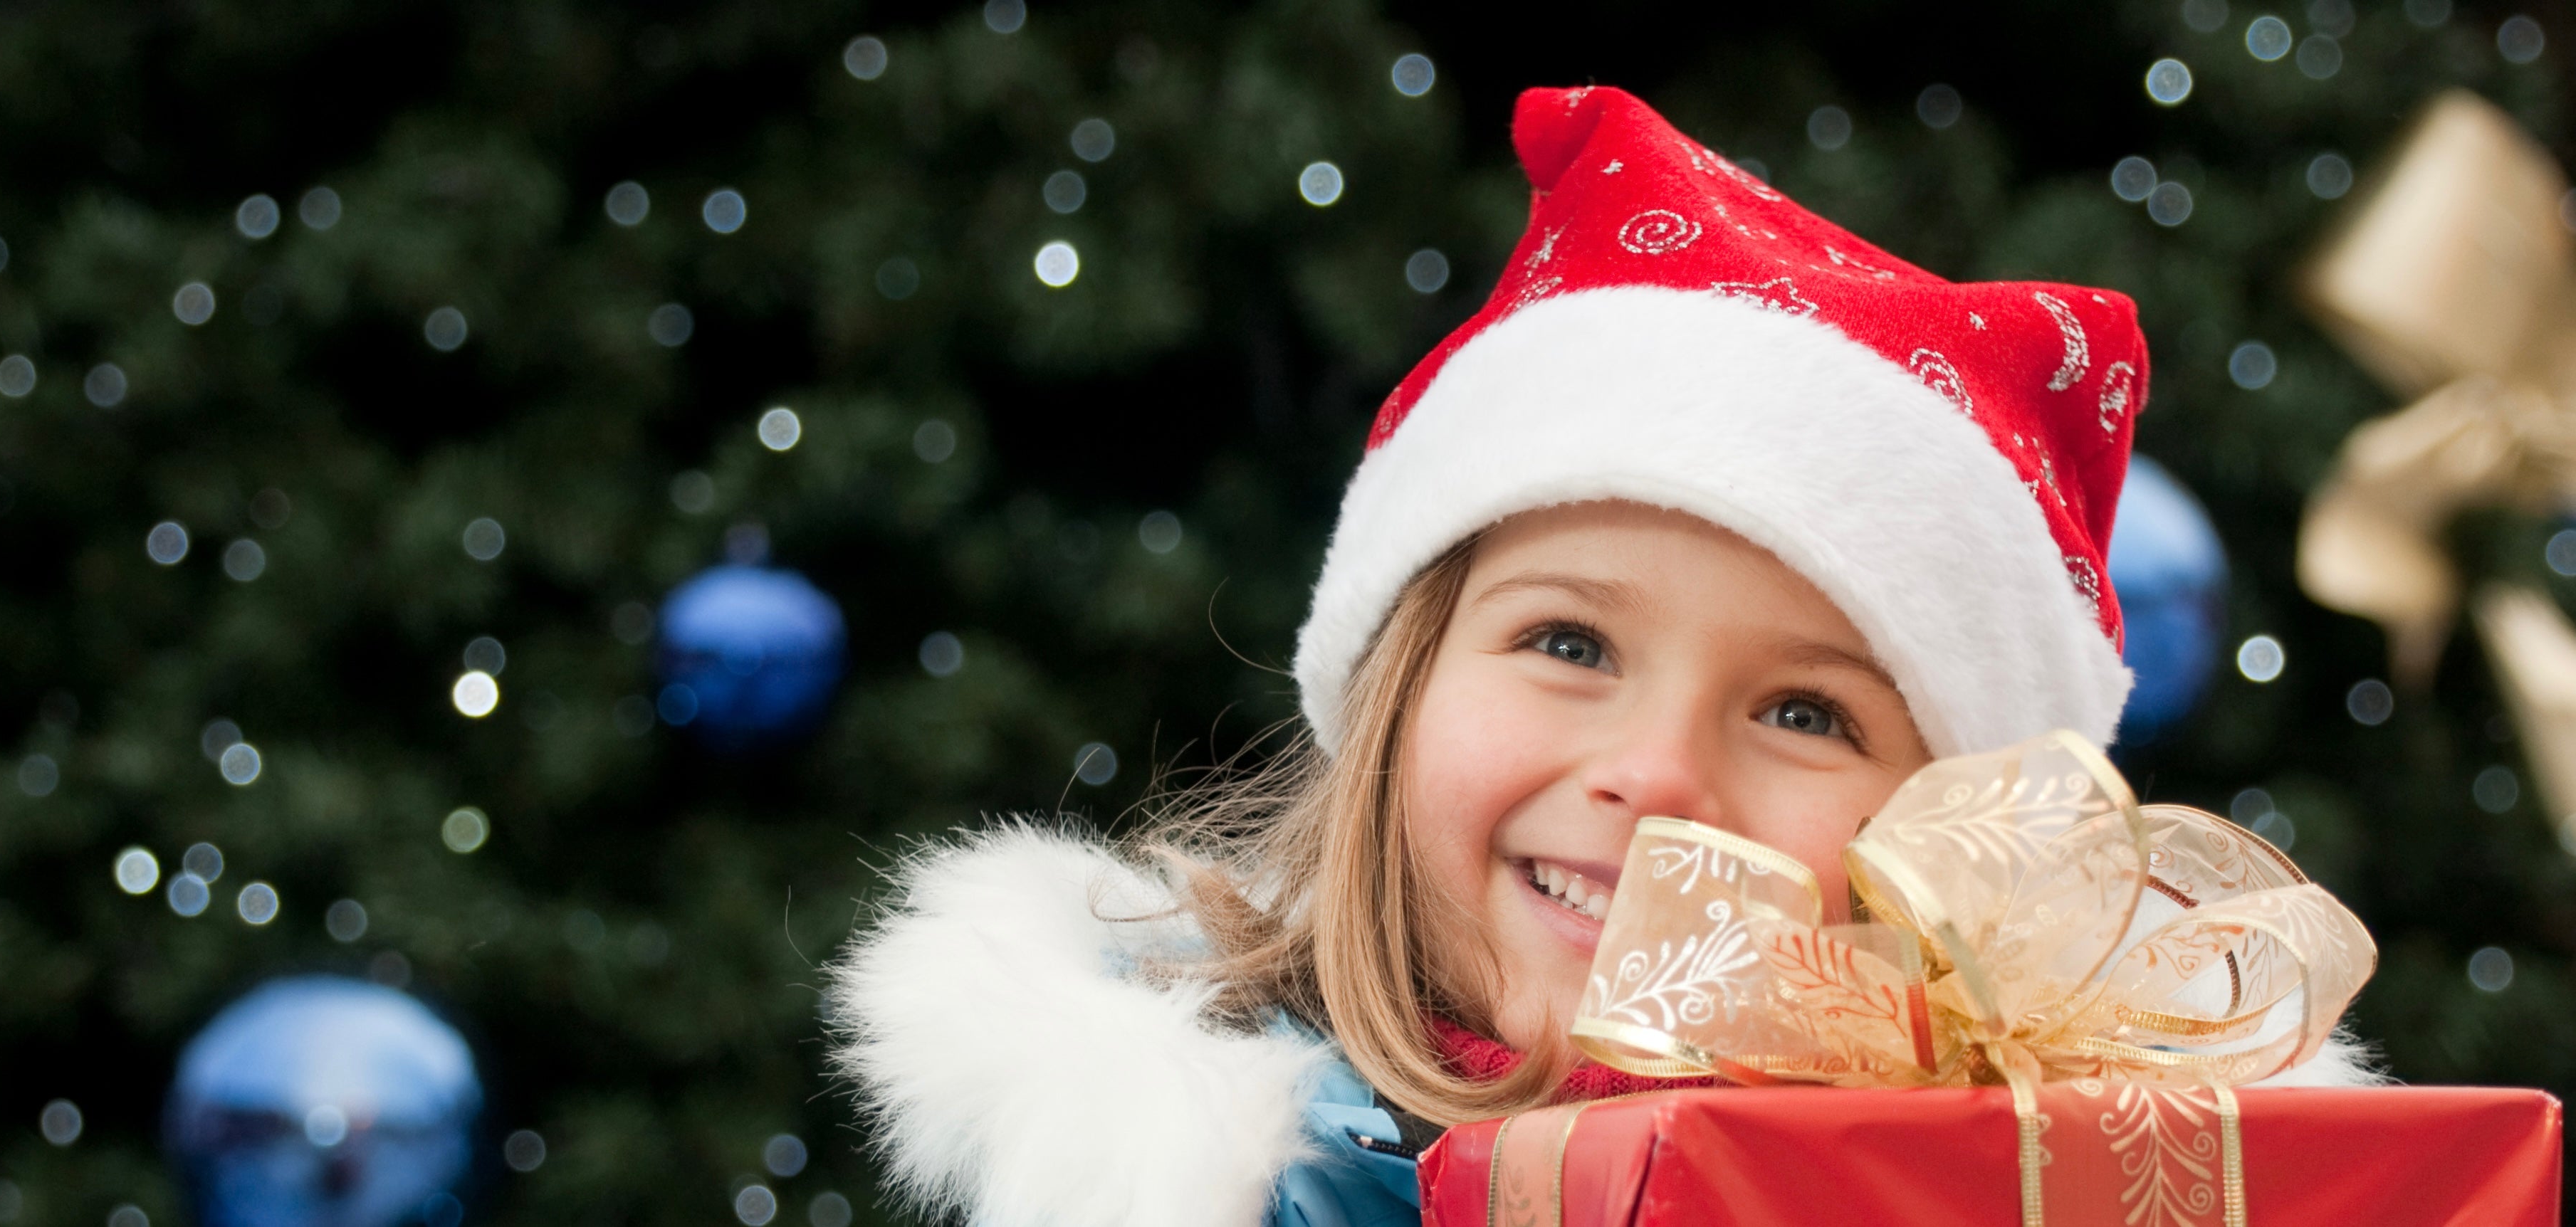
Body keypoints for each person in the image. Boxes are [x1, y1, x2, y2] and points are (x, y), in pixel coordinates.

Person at [829, 85, 2378, 1227]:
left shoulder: (2056, 1188)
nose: (1654, 775)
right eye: (1568, 641)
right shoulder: (1157, 1165)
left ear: (1958, 841)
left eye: (1802, 710)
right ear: (1398, 682)